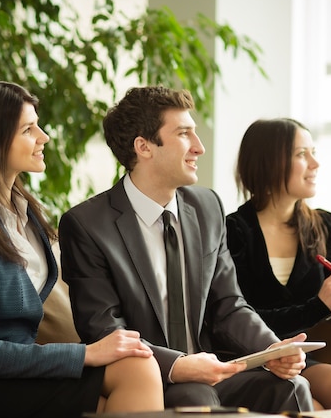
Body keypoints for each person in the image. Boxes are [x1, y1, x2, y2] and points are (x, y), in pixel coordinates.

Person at [0, 80, 164, 418]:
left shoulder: (25, 213)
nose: (43, 137)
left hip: (12, 368)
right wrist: (86, 354)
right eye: (29, 129)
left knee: (138, 364)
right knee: (110, 396)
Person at [58, 86, 314, 413]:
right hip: (151, 375)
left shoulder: (207, 206)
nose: (200, 147)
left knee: (292, 387)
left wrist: (272, 349)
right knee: (196, 397)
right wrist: (179, 365)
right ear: (144, 147)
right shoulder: (87, 224)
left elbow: (228, 305)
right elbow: (104, 329)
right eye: (184, 134)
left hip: (213, 369)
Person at [226, 118, 331, 410]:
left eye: (313, 152)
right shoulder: (232, 232)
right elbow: (238, 317)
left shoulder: (326, 226)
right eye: (301, 154)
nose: (315, 163)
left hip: (301, 357)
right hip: (251, 354)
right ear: (269, 162)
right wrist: (319, 304)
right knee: (312, 405)